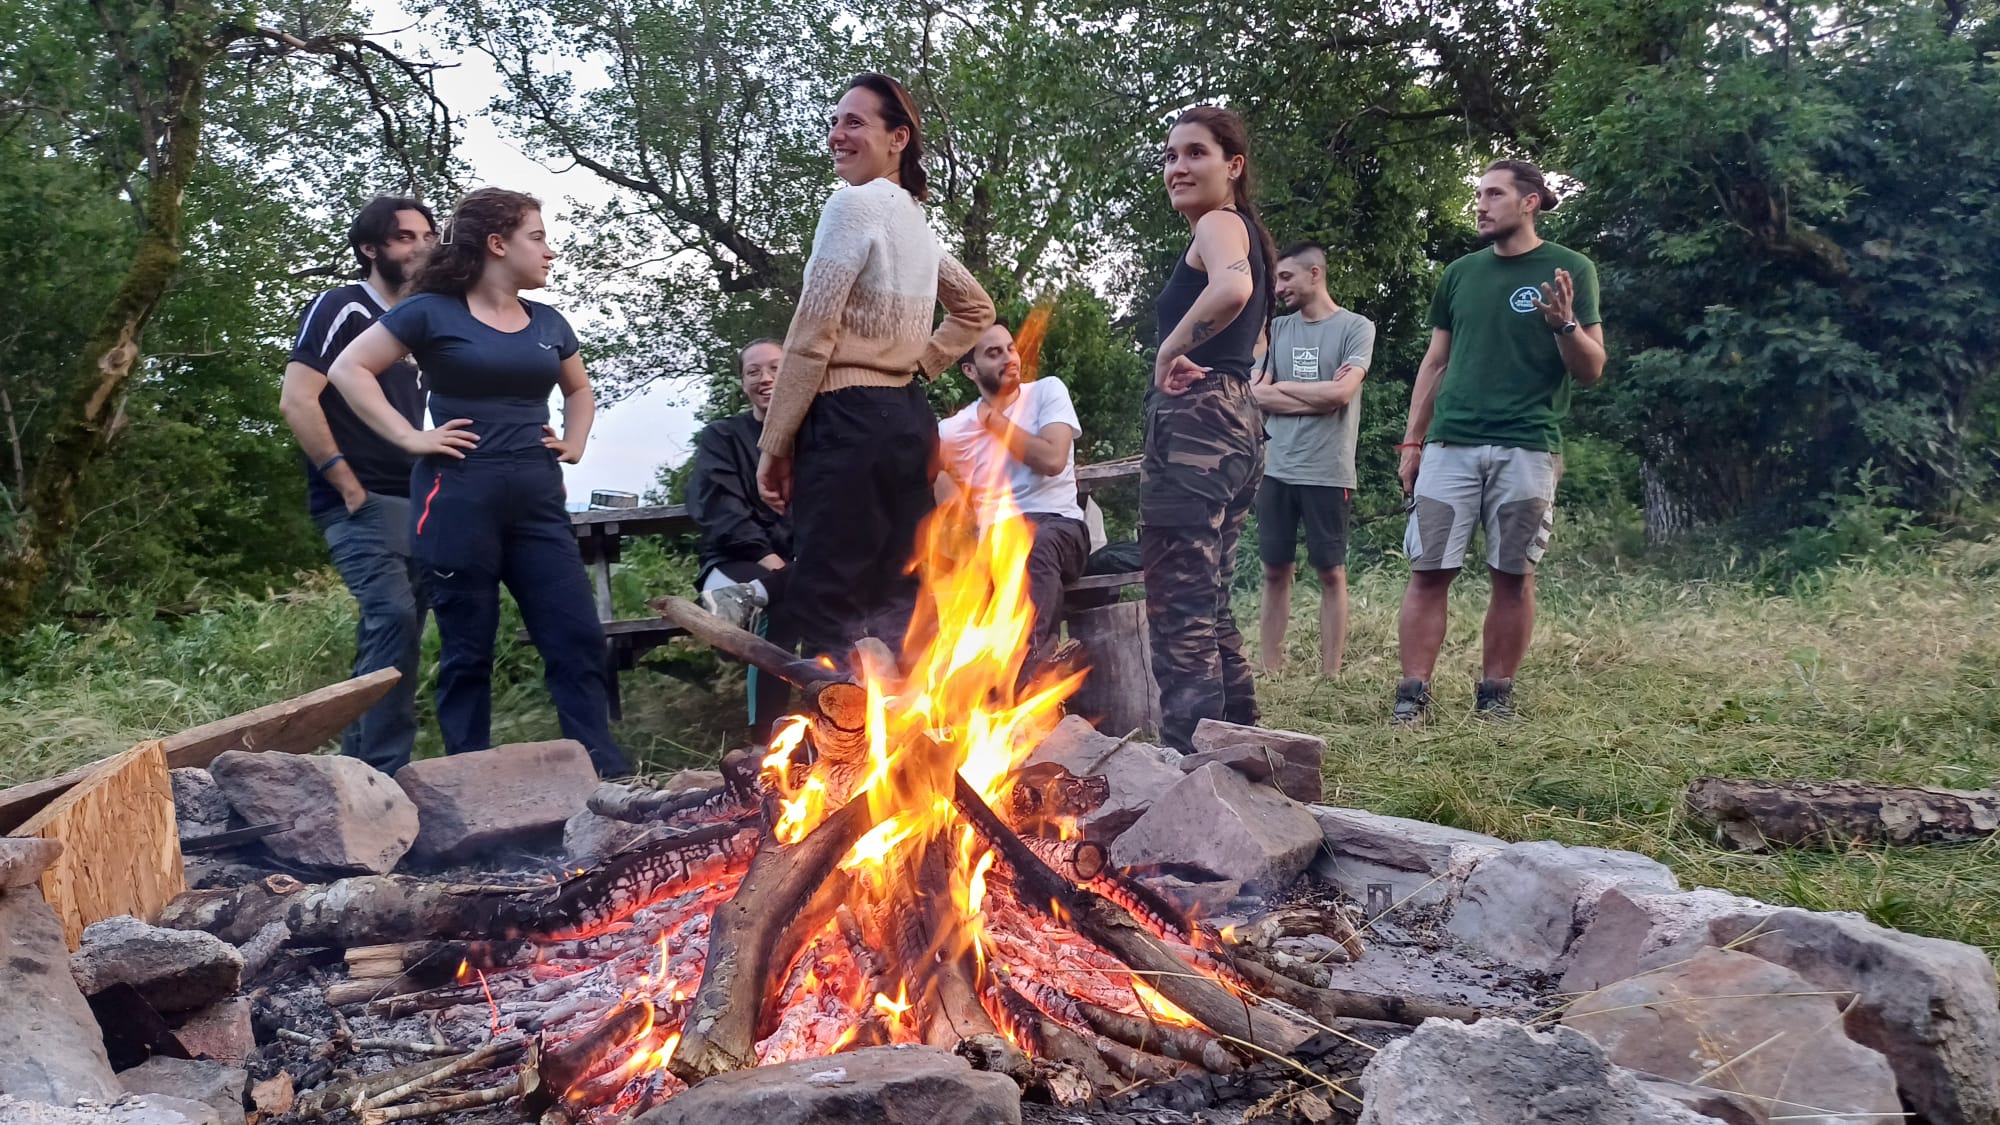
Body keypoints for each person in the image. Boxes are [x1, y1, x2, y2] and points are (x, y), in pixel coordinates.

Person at [327, 187, 630, 777]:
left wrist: (575, 441)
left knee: (575, 635)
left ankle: (604, 771)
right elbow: (348, 368)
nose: (549, 251)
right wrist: (411, 437)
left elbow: (578, 389)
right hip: (457, 500)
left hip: (538, 500)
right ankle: (469, 774)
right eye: (537, 238)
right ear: (497, 244)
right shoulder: (429, 312)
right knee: (468, 648)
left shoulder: (549, 322)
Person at [754, 72, 994, 667]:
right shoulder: (915, 222)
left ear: (898, 138)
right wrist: (919, 362)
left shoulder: (852, 205)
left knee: (827, 600)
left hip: (847, 421)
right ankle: (914, 721)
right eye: (834, 122)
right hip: (908, 422)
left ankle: (831, 725)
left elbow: (811, 333)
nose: (837, 134)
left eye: (854, 122)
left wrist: (775, 442)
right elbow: (976, 308)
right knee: (903, 597)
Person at [1393, 159, 1605, 724]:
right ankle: (1411, 697)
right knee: (1428, 570)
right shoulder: (1460, 273)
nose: (1481, 205)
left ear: (1529, 201)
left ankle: (1495, 697)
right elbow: (1435, 361)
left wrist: (1564, 325)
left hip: (1527, 445)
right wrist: (1412, 443)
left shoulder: (1571, 268)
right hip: (1450, 443)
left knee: (1513, 574)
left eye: (1493, 194)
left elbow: (1591, 369)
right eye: (1479, 194)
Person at [278, 195, 438, 773]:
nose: (421, 247)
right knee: (392, 617)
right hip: (361, 499)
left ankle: (371, 769)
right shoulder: (343, 307)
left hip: (419, 497)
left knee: (406, 636)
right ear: (370, 248)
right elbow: (297, 399)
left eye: (428, 236)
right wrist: (345, 483)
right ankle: (375, 769)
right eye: (405, 237)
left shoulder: (424, 319)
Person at [1142, 106, 1275, 753]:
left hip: (1197, 422)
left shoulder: (1220, 224)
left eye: (1196, 153)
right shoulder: (1243, 230)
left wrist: (1170, 349)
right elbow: (1256, 336)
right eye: (1170, 156)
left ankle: (1189, 768)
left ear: (1234, 166)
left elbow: (1233, 289)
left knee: (1179, 613)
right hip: (1237, 415)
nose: (1178, 167)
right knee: (1210, 602)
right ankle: (1245, 756)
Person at [1251, 242, 1375, 678]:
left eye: (1286, 277)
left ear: (1315, 274)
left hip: (1328, 470)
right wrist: (1316, 395)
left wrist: (1285, 389)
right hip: (1276, 468)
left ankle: (1330, 675)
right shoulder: (1277, 329)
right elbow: (1255, 395)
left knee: (1331, 572)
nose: (1278, 287)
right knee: (1275, 570)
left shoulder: (1356, 328)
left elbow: (1342, 394)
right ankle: (1270, 671)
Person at [937, 321, 1089, 671]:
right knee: (960, 573)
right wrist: (957, 523)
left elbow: (1052, 460)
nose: (1009, 358)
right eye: (994, 353)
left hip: (1059, 530)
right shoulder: (953, 430)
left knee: (1029, 544)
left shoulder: (1047, 392)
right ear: (970, 370)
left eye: (1010, 348)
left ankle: (1032, 671)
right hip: (995, 539)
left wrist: (995, 423)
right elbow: (929, 472)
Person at [688, 337, 795, 735]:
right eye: (754, 371)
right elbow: (720, 511)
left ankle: (840, 736)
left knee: (822, 596)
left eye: (775, 368)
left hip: (797, 566)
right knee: (783, 604)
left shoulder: (819, 435)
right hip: (735, 563)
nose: (765, 378)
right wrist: (770, 561)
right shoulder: (723, 437)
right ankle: (765, 738)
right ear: (743, 382)